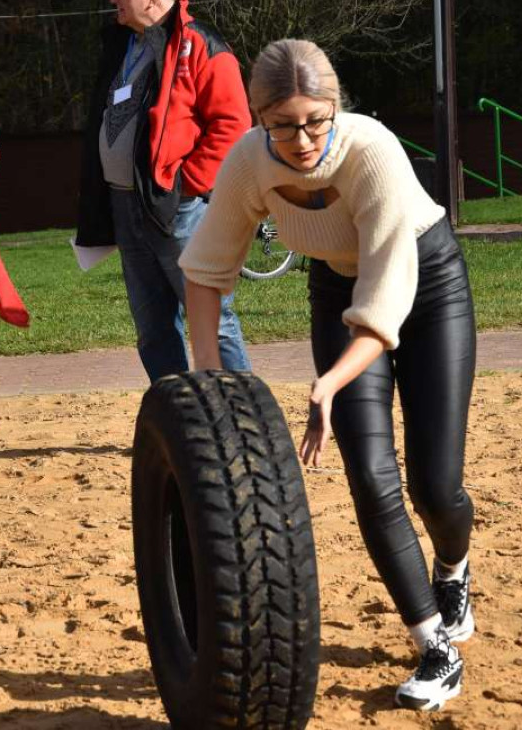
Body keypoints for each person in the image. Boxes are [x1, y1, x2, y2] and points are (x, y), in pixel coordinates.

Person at [180, 40, 477, 711]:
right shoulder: (249, 164)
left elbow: (384, 306)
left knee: (436, 486)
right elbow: (204, 271)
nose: (304, 137)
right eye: (283, 123)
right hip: (338, 293)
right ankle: (436, 643)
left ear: (337, 108)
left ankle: (454, 571)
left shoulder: (371, 151)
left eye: (318, 118)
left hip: (425, 288)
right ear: (258, 117)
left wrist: (329, 383)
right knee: (370, 477)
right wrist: (208, 379)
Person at [76, 0, 251, 382]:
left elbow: (232, 126)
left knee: (212, 317)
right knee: (151, 325)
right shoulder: (124, 43)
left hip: (178, 208)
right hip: (126, 202)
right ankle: (175, 417)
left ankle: (241, 414)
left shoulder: (202, 44)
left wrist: (182, 185)